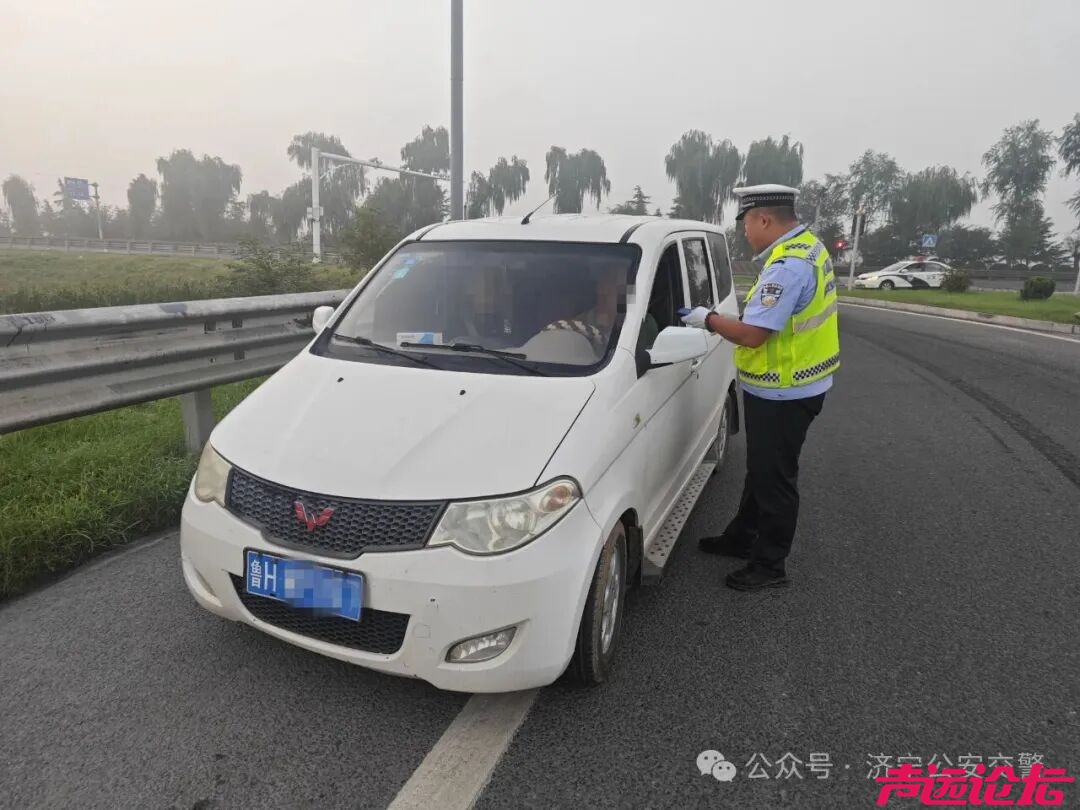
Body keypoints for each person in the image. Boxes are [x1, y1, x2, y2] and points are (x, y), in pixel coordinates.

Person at [680, 184, 840, 591]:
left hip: (784, 391)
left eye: (747, 224)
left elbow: (753, 335)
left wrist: (706, 319)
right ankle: (742, 536)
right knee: (762, 469)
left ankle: (769, 566)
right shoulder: (810, 247)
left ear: (764, 219)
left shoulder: (787, 267)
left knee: (774, 479)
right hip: (798, 385)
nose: (745, 233)